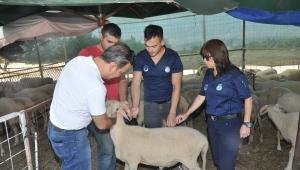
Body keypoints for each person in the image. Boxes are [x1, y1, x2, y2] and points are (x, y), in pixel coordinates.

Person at [48, 42, 135, 170]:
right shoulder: (96, 87)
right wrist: (113, 119)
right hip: (71, 136)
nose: (119, 76)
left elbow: (84, 96)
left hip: (55, 127)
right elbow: (101, 124)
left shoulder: (77, 61)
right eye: (121, 72)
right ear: (113, 66)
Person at [176, 39, 253, 170]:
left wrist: (246, 124)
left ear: (217, 55)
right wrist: (186, 113)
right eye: (203, 57)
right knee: (218, 161)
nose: (204, 61)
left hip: (230, 124)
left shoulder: (234, 74)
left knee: (225, 165)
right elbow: (202, 96)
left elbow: (248, 98)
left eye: (207, 57)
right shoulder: (208, 74)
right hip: (212, 123)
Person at [78, 23, 127, 170]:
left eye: (116, 43)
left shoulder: (118, 55)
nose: (113, 46)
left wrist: (123, 99)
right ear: (101, 36)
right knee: (107, 147)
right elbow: (81, 82)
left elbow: (123, 79)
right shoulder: (86, 53)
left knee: (110, 146)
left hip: (114, 107)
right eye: (109, 42)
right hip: (98, 108)